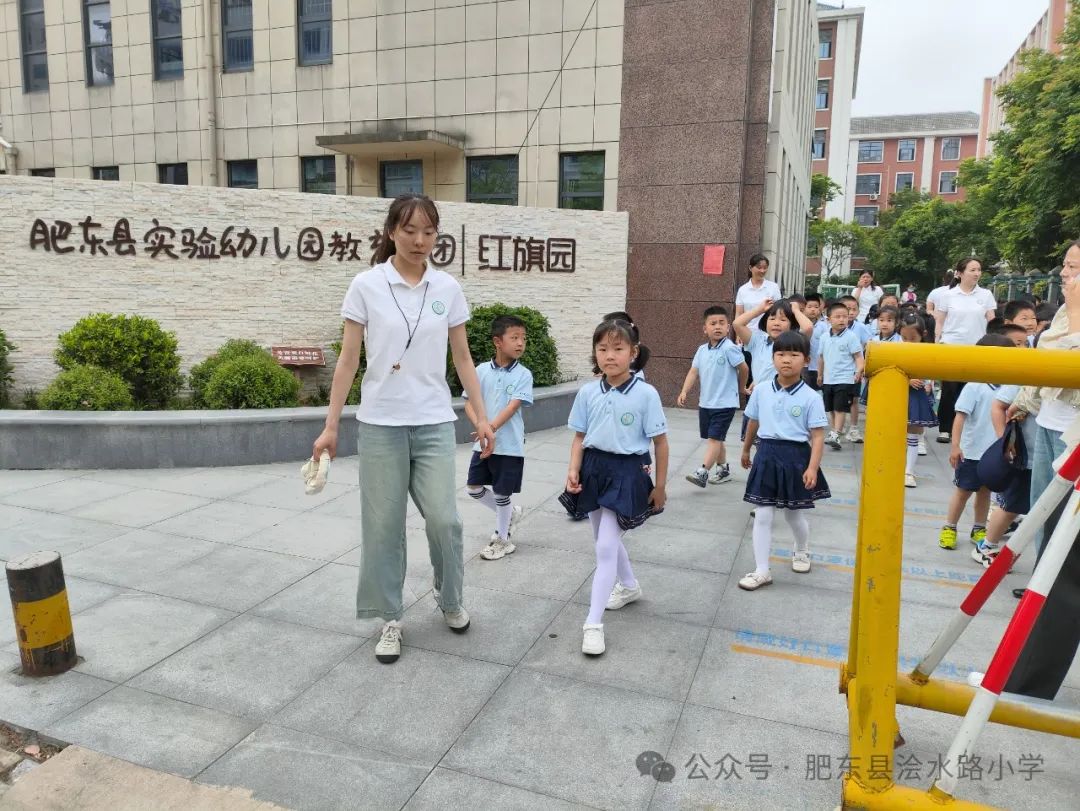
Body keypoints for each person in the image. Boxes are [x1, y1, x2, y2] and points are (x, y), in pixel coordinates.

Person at [313, 194, 495, 665]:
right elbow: (349, 360)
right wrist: (331, 426)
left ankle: (449, 596)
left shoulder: (447, 288)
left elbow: (462, 358)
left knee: (445, 519)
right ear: (391, 230)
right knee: (383, 526)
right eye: (410, 230)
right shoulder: (367, 285)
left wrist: (482, 416)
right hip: (380, 424)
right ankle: (389, 617)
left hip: (434, 421)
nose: (420, 240)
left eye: (429, 232)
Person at [560, 319, 669, 656]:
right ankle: (630, 586)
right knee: (602, 539)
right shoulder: (589, 391)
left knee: (606, 545)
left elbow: (660, 443)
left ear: (633, 353)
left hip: (628, 471)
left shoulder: (646, 393)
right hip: (594, 469)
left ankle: (593, 624)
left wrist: (660, 486)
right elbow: (579, 437)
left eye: (618, 349)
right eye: (603, 349)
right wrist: (573, 469)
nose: (610, 355)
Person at [1001, 240, 1080, 695]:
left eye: (1077, 268)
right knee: (1041, 527)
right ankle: (1037, 592)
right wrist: (1025, 401)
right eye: (1066, 266)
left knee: (1065, 554)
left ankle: (1027, 681)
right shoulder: (1066, 313)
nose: (1068, 275)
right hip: (1052, 427)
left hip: (1075, 438)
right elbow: (1044, 362)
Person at [738, 331, 831, 589]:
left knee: (793, 516)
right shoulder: (762, 390)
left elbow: (818, 436)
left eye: (794, 354)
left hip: (796, 458)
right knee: (763, 514)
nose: (786, 360)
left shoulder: (812, 397)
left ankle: (801, 548)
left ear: (806, 360)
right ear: (772, 358)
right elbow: (753, 421)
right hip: (766, 454)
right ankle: (761, 570)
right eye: (780, 354)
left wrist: (812, 467)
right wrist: (746, 450)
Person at [463, 315, 534, 561]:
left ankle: (502, 539)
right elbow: (468, 404)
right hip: (482, 443)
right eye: (514, 338)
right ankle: (509, 513)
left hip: (510, 446)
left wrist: (490, 427)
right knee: (473, 488)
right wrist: (481, 428)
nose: (520, 343)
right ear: (497, 341)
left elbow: (513, 407)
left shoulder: (524, 374)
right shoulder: (480, 371)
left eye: (523, 338)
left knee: (502, 492)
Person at [938, 333, 1015, 550]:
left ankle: (979, 527)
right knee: (963, 491)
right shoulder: (975, 386)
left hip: (993, 454)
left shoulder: (1010, 387)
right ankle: (949, 527)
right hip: (970, 452)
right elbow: (960, 417)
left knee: (985, 492)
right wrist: (955, 445)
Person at [972, 370, 1037, 567]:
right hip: (1026, 456)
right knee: (1012, 505)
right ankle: (986, 546)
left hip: (1052, 456)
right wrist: (1005, 443)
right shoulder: (1031, 376)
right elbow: (999, 406)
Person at [678, 306, 749, 487]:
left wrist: (741, 388)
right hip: (706, 403)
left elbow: (744, 368)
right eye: (713, 323)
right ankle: (723, 469)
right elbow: (693, 372)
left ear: (728, 328)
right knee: (716, 438)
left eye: (722, 323)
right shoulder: (702, 350)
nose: (717, 327)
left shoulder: (730, 348)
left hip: (725, 403)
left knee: (714, 439)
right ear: (705, 328)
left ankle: (703, 471)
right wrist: (684, 391)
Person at [933, 256, 997, 445]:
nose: (977, 273)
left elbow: (991, 320)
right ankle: (945, 428)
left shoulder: (985, 295)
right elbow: (940, 321)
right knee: (949, 390)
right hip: (951, 347)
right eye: (972, 270)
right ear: (959, 274)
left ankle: (966, 431)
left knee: (972, 390)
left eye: (979, 270)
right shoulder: (948, 295)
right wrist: (938, 343)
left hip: (977, 348)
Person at [733, 298, 815, 440]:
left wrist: (796, 310)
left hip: (784, 401)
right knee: (758, 441)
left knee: (780, 439)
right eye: (772, 318)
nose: (776, 323)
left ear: (792, 324)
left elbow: (807, 328)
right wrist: (759, 309)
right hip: (759, 399)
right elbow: (737, 323)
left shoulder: (794, 342)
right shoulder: (758, 340)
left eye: (783, 320)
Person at [819, 301, 865, 451]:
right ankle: (835, 431)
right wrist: (820, 374)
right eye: (837, 317)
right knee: (831, 408)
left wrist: (858, 371)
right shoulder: (825, 337)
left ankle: (836, 433)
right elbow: (821, 357)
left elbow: (859, 356)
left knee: (840, 408)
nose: (841, 320)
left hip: (845, 379)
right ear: (829, 319)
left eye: (844, 317)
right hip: (828, 379)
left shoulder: (851, 337)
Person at [899, 314, 938, 488]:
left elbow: (931, 370)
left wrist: (928, 381)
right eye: (904, 338)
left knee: (913, 434)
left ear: (923, 334)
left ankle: (909, 471)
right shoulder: (894, 348)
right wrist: (906, 380)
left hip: (916, 396)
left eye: (912, 338)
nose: (907, 342)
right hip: (897, 394)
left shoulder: (927, 351)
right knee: (896, 435)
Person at [840, 295, 871, 442]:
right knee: (837, 400)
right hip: (837, 370)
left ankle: (853, 428)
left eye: (854, 309)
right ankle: (836, 429)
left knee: (853, 399)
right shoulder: (832, 327)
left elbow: (869, 345)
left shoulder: (861, 328)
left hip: (854, 371)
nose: (851, 312)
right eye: (847, 309)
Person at [734, 253, 783, 320]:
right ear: (750, 268)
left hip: (766, 329)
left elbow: (779, 311)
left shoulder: (773, 287)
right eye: (759, 268)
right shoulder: (742, 290)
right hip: (746, 329)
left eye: (765, 268)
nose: (762, 271)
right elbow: (739, 314)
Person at [803, 293, 828, 389]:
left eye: (816, 307)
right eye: (809, 307)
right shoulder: (799, 325)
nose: (813, 309)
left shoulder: (824, 326)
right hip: (803, 366)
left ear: (820, 309)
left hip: (817, 367)